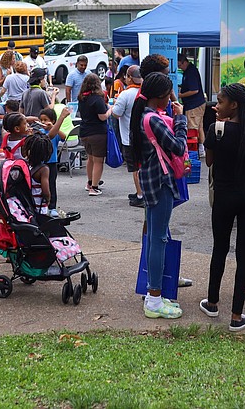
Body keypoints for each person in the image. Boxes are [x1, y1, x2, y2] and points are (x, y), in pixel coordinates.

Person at [199, 83, 245, 332]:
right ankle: (237, 316)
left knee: (220, 248)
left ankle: (213, 302)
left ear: (234, 105)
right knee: (244, 254)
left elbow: (210, 163)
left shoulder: (216, 130)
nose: (217, 106)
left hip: (224, 197)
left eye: (222, 101)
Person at [130, 72, 187, 319]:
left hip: (150, 179)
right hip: (160, 181)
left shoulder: (144, 115)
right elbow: (178, 146)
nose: (170, 98)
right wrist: (182, 120)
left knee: (155, 236)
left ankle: (155, 294)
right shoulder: (153, 119)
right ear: (160, 96)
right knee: (158, 238)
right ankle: (154, 299)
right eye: (168, 94)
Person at [112, 65, 144, 207]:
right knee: (142, 166)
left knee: (135, 168)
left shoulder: (125, 94)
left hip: (129, 137)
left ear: (130, 77)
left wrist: (112, 106)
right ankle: (141, 192)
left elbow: (116, 114)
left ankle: (140, 195)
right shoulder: (146, 92)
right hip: (145, 136)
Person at [77, 73, 111, 196]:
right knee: (98, 161)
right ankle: (94, 187)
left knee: (90, 159)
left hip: (84, 132)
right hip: (97, 133)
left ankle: (90, 182)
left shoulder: (81, 98)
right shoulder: (97, 99)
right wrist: (110, 111)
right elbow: (102, 117)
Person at [36, 107, 70, 216]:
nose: (43, 122)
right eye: (41, 120)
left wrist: (54, 128)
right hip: (41, 162)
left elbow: (64, 137)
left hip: (52, 163)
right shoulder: (40, 132)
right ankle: (42, 204)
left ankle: (52, 207)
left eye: (46, 120)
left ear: (53, 121)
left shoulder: (55, 133)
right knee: (41, 185)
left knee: (51, 185)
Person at [177, 54, 206, 157]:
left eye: (180, 65)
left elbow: (194, 90)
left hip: (194, 104)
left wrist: (180, 95)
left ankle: (193, 152)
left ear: (184, 62)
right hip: (198, 103)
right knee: (199, 127)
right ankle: (201, 149)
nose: (179, 68)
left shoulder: (191, 72)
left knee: (192, 128)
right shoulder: (189, 70)